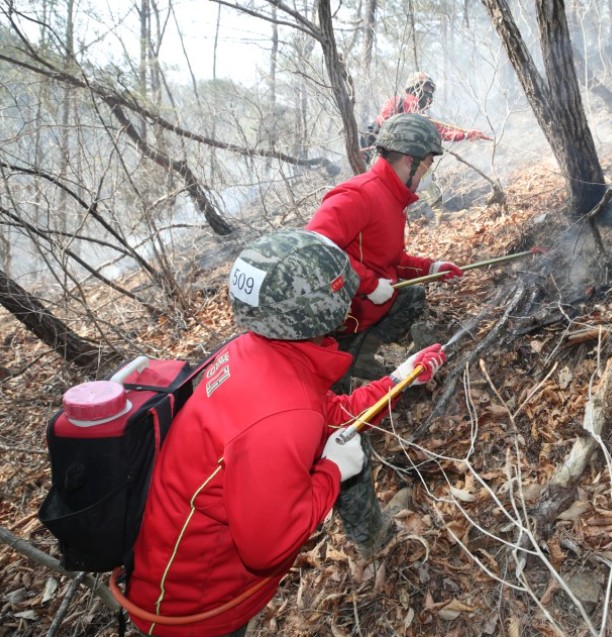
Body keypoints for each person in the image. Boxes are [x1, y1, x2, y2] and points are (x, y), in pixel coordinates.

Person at [124, 229, 447, 637]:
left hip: (184, 573)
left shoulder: (255, 350)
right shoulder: (280, 414)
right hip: (197, 606)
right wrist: (331, 472)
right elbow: (268, 548)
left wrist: (399, 381)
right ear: (323, 310)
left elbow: (331, 413)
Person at [306, 113, 463, 382]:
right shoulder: (358, 195)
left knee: (413, 296)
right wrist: (367, 284)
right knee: (339, 404)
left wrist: (431, 268)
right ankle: (347, 356)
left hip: (369, 311)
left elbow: (388, 258)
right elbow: (314, 248)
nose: (427, 175)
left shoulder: (392, 197)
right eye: (427, 165)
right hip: (342, 322)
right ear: (409, 160)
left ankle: (362, 352)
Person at [361, 71, 488, 158]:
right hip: (377, 153)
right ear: (414, 88)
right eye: (426, 88)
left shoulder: (423, 118)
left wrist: (467, 134)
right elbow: (385, 122)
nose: (429, 93)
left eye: (431, 91)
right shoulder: (397, 102)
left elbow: (444, 134)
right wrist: (413, 121)